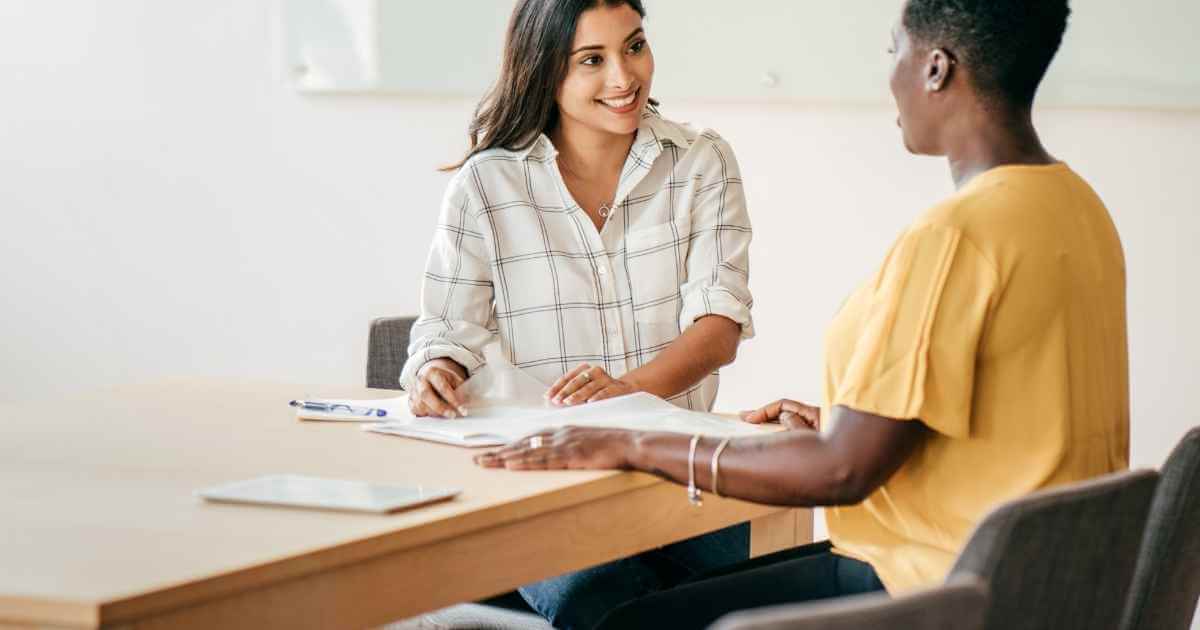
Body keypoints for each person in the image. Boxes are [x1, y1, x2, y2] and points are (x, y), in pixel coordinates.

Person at [476, 0, 1130, 628]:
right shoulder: (1076, 207)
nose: (890, 74)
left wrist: (630, 440)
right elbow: (1017, 418)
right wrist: (842, 424)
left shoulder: (958, 236)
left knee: (619, 619)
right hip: (1038, 586)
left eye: (893, 50)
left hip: (931, 590)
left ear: (936, 68)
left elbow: (842, 472)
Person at [399, 0, 756, 627]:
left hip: (680, 480)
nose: (624, 78)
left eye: (635, 46)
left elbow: (718, 327)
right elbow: (445, 330)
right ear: (545, 72)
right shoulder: (487, 185)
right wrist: (437, 367)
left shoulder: (701, 160)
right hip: (544, 488)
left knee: (745, 599)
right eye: (592, 60)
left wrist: (626, 396)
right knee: (608, 609)